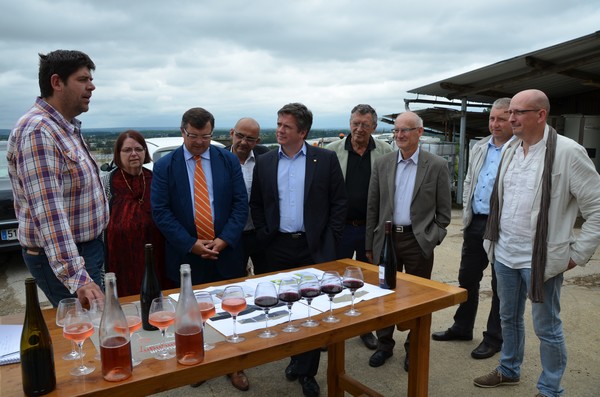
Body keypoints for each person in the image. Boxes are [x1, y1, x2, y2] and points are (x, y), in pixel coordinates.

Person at [474, 89, 600, 397]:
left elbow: (596, 206)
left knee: (547, 327)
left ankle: (550, 389)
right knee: (508, 318)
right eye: (510, 112)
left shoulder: (568, 152)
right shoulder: (510, 150)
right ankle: (508, 369)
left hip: (541, 259)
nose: (510, 118)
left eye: (518, 113)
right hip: (504, 252)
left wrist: (578, 253)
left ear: (540, 115)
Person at [250, 103, 347, 397]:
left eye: (286, 126)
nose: (279, 130)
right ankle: (295, 357)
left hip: (312, 247)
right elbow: (257, 203)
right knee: (283, 306)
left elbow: (338, 203)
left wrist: (329, 238)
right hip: (276, 246)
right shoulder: (265, 161)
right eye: (278, 124)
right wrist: (266, 234)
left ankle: (307, 372)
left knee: (311, 310)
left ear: (302, 132)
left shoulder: (325, 159)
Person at [151, 107, 249, 391]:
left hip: (226, 252)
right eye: (194, 136)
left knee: (230, 314)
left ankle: (234, 365)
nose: (199, 142)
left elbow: (240, 204)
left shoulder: (227, 160)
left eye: (206, 136)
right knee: (192, 316)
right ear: (183, 131)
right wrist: (191, 244)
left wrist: (224, 239)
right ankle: (200, 362)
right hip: (187, 257)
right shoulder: (165, 166)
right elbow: (161, 212)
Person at [6, 50, 107, 308]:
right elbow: (50, 214)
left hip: (85, 251)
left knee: (96, 329)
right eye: (83, 79)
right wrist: (78, 278)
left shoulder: (64, 126)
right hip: (67, 260)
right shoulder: (39, 131)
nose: (91, 86)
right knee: (88, 335)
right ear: (56, 83)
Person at [365, 111, 452, 371]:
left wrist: (430, 238)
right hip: (386, 241)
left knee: (418, 299)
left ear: (420, 132)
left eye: (406, 130)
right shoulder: (382, 163)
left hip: (418, 242)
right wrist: (370, 244)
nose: (400, 135)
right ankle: (384, 345)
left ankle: (413, 347)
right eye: (396, 131)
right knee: (384, 296)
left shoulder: (436, 166)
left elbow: (444, 214)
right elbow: (373, 208)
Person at [432, 98, 513, 359]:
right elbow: (469, 180)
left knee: (501, 283)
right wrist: (467, 209)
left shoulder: (519, 149)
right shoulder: (480, 147)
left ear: (512, 119)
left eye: (501, 118)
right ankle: (462, 327)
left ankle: (494, 337)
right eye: (492, 118)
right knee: (468, 278)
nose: (495, 123)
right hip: (476, 221)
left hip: (503, 225)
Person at [326, 104, 393, 350]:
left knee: (369, 282)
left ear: (374, 127)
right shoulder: (332, 151)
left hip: (370, 230)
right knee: (333, 280)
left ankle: (364, 328)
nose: (359, 129)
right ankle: (333, 326)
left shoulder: (385, 151)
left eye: (365, 124)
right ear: (349, 123)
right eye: (355, 123)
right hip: (341, 228)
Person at [102, 130, 172, 297]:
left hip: (156, 258)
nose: (134, 154)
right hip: (120, 260)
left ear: (145, 152)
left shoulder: (156, 180)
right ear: (118, 154)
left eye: (139, 149)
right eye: (127, 150)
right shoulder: (106, 184)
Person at [225, 117, 269, 275]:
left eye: (250, 139)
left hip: (260, 233)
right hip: (232, 237)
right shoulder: (220, 159)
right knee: (235, 279)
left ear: (257, 141)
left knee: (267, 277)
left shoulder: (265, 157)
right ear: (232, 133)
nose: (243, 142)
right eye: (240, 136)